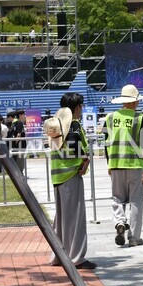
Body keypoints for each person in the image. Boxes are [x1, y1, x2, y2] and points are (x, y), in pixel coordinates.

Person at [44, 94, 95, 270]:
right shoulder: (73, 125)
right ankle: (77, 257)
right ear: (76, 108)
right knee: (75, 218)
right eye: (81, 106)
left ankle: (59, 255)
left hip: (58, 176)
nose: (82, 110)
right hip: (71, 175)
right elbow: (74, 146)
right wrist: (85, 158)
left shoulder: (55, 124)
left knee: (62, 219)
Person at [104, 84, 143, 250]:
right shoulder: (140, 118)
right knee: (136, 201)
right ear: (135, 101)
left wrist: (109, 163)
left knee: (117, 198)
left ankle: (120, 222)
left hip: (115, 164)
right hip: (135, 164)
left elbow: (106, 143)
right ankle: (134, 237)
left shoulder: (110, 117)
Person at [8, 109, 27, 177]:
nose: (25, 116)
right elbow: (18, 134)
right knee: (20, 159)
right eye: (24, 114)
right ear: (20, 115)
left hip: (16, 145)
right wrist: (16, 142)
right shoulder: (19, 123)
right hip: (20, 145)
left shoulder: (14, 123)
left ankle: (17, 173)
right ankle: (20, 173)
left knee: (18, 159)